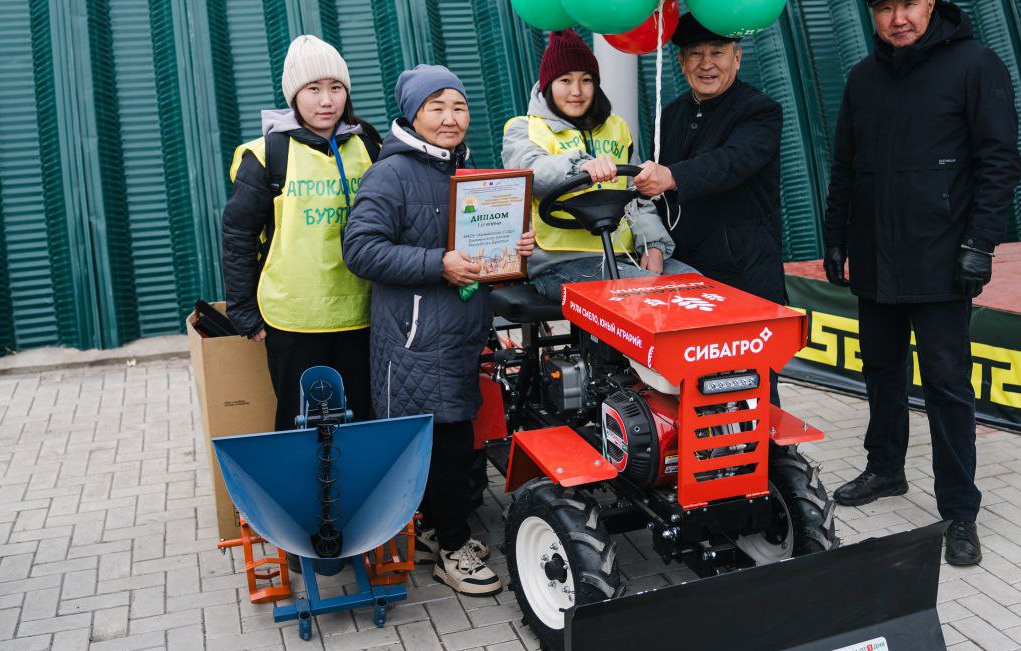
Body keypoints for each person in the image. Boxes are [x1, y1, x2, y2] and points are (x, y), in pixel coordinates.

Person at [822, 0, 1021, 567]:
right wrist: (835, 237)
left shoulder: (975, 66)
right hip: (877, 260)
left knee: (946, 386)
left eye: (908, 6)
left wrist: (980, 244)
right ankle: (885, 469)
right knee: (880, 371)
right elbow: (845, 167)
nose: (897, 19)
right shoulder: (862, 79)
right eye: (884, 10)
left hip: (942, 261)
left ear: (931, 5)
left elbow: (998, 162)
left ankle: (959, 510)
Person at [342, 65, 535, 596]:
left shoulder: (464, 167)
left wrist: (513, 249)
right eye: (437, 107)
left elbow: (478, 245)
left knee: (452, 436)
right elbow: (360, 249)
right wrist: (438, 263)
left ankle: (433, 531)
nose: (451, 119)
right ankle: (452, 546)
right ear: (412, 113)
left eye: (459, 107)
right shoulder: (392, 173)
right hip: (415, 337)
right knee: (443, 441)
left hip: (459, 331)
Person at [221, 34, 380, 431]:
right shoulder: (265, 155)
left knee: (362, 418)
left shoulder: (370, 145)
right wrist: (243, 310)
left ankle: (357, 493)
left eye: (335, 88)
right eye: (313, 89)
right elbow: (238, 235)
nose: (326, 100)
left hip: (363, 313)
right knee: (301, 422)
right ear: (294, 95)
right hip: (294, 317)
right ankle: (307, 495)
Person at [633, 13, 787, 403]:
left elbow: (732, 162)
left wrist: (670, 176)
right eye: (695, 54)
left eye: (717, 52)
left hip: (745, 271)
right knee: (696, 381)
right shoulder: (672, 113)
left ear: (737, 57)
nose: (707, 63)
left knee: (753, 381)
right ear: (681, 63)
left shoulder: (760, 110)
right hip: (688, 271)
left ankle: (772, 460)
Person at [502, 29, 690, 300]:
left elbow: (638, 196)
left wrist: (652, 245)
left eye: (586, 80)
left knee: (698, 287)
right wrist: (580, 166)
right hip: (559, 264)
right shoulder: (524, 129)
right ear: (547, 84)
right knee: (650, 296)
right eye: (565, 80)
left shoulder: (617, 128)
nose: (576, 91)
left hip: (624, 256)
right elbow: (533, 173)